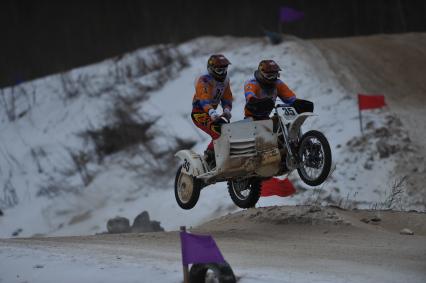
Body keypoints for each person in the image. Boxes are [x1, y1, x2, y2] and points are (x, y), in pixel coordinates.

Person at [191, 54, 233, 168]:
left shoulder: (225, 80)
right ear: (211, 69)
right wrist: (211, 112)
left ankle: (224, 157)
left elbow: (227, 98)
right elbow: (204, 99)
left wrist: (227, 110)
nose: (223, 72)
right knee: (219, 132)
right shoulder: (204, 79)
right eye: (219, 69)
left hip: (211, 113)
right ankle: (208, 157)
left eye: (224, 69)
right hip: (199, 113)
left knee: (229, 131)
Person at [244, 60, 313, 120]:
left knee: (279, 122)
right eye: (269, 76)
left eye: (275, 75)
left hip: (266, 118)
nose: (272, 78)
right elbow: (250, 97)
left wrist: (298, 103)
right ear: (261, 73)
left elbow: (290, 98)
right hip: (252, 118)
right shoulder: (252, 83)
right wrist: (258, 101)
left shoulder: (277, 83)